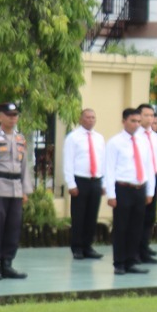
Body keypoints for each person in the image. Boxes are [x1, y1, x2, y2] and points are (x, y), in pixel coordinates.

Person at [0, 102, 33, 281]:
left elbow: (25, 166)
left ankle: (7, 263)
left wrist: (25, 190)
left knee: (13, 228)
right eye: (8, 115)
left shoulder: (20, 139)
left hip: (16, 189)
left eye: (15, 115)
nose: (12, 118)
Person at [103, 107, 156, 275]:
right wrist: (111, 194)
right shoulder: (115, 142)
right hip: (123, 188)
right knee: (121, 227)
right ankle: (119, 262)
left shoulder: (143, 141)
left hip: (139, 188)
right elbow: (109, 169)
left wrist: (149, 191)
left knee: (136, 227)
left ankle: (132, 261)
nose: (137, 125)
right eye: (133, 121)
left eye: (139, 121)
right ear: (124, 121)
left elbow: (149, 167)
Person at [63, 107, 106, 260]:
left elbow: (103, 160)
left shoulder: (99, 138)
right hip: (80, 180)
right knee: (79, 216)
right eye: (87, 117)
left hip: (96, 180)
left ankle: (88, 246)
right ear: (81, 119)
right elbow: (68, 161)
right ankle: (77, 247)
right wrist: (71, 184)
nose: (90, 120)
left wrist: (104, 182)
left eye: (93, 117)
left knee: (92, 215)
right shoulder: (73, 137)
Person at [136, 103, 157, 265]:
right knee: (138, 218)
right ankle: (135, 251)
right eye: (146, 115)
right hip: (139, 181)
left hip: (153, 180)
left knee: (149, 217)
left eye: (152, 115)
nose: (149, 118)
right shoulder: (136, 137)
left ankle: (145, 248)